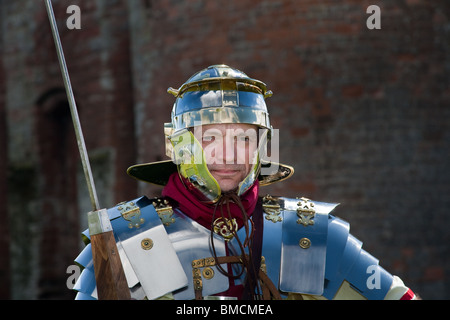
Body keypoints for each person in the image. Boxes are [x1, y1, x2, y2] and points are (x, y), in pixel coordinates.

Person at [73, 65, 416, 300]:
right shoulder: (125, 241)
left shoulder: (307, 234)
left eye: (242, 139)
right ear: (177, 145)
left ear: (262, 146)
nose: (228, 155)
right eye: (209, 139)